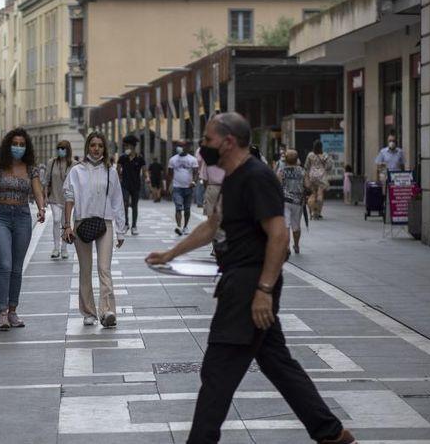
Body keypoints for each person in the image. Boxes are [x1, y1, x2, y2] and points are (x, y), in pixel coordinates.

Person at [145, 113, 356, 444]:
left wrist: (264, 290)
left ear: (228, 142)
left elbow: (279, 236)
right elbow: (214, 225)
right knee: (277, 363)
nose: (202, 147)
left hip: (248, 286)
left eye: (208, 140)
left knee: (218, 372)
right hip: (242, 282)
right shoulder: (233, 177)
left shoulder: (256, 177)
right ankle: (330, 433)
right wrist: (172, 254)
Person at [0, 128, 46, 331]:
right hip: (0, 216)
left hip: (22, 217)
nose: (18, 147)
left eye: (22, 144)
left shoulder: (31, 169)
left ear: (26, 147)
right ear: (8, 145)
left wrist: (42, 207)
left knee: (17, 268)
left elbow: (37, 190)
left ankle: (13, 311)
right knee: (5, 265)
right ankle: (2, 313)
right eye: (15, 143)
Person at [63, 132, 125, 328]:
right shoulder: (76, 171)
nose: (96, 149)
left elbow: (117, 201)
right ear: (87, 147)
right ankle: (88, 312)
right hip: (82, 223)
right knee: (85, 269)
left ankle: (107, 311)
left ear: (104, 148)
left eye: (100, 145)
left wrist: (121, 229)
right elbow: (69, 198)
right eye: (93, 145)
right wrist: (67, 225)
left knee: (104, 268)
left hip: (105, 223)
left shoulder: (111, 171)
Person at [46, 140, 73, 259]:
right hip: (54, 197)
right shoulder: (51, 163)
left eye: (63, 148)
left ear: (68, 150)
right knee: (56, 219)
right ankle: (56, 248)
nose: (61, 150)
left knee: (64, 222)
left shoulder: (74, 164)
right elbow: (46, 180)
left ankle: (64, 248)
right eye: (59, 148)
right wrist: (45, 196)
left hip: (68, 199)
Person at [117, 135, 146, 235]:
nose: (126, 148)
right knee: (125, 203)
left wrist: (146, 180)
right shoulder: (122, 157)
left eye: (127, 146)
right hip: (125, 184)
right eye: (125, 146)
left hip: (136, 184)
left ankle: (134, 226)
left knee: (134, 205)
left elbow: (144, 171)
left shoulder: (139, 158)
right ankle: (126, 224)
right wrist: (119, 179)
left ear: (133, 146)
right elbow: (118, 170)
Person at [168, 144, 199, 235]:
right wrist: (170, 185)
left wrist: (194, 182)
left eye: (182, 146)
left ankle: (185, 226)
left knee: (187, 209)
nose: (179, 148)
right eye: (178, 146)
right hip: (177, 187)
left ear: (187, 147)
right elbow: (169, 174)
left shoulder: (192, 159)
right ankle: (179, 226)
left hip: (188, 187)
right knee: (178, 207)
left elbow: (196, 172)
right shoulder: (173, 159)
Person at [279, 150, 306, 254]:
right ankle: (296, 245)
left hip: (285, 200)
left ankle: (287, 247)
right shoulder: (302, 171)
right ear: (297, 159)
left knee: (286, 224)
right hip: (297, 202)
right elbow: (307, 184)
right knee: (296, 225)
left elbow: (278, 184)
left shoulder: (282, 171)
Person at [304, 140, 332, 220]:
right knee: (320, 194)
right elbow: (329, 166)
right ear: (321, 147)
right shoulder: (324, 155)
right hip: (321, 177)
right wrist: (325, 169)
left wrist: (307, 177)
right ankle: (318, 212)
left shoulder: (310, 155)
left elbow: (306, 166)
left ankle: (312, 211)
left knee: (313, 194)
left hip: (312, 176)